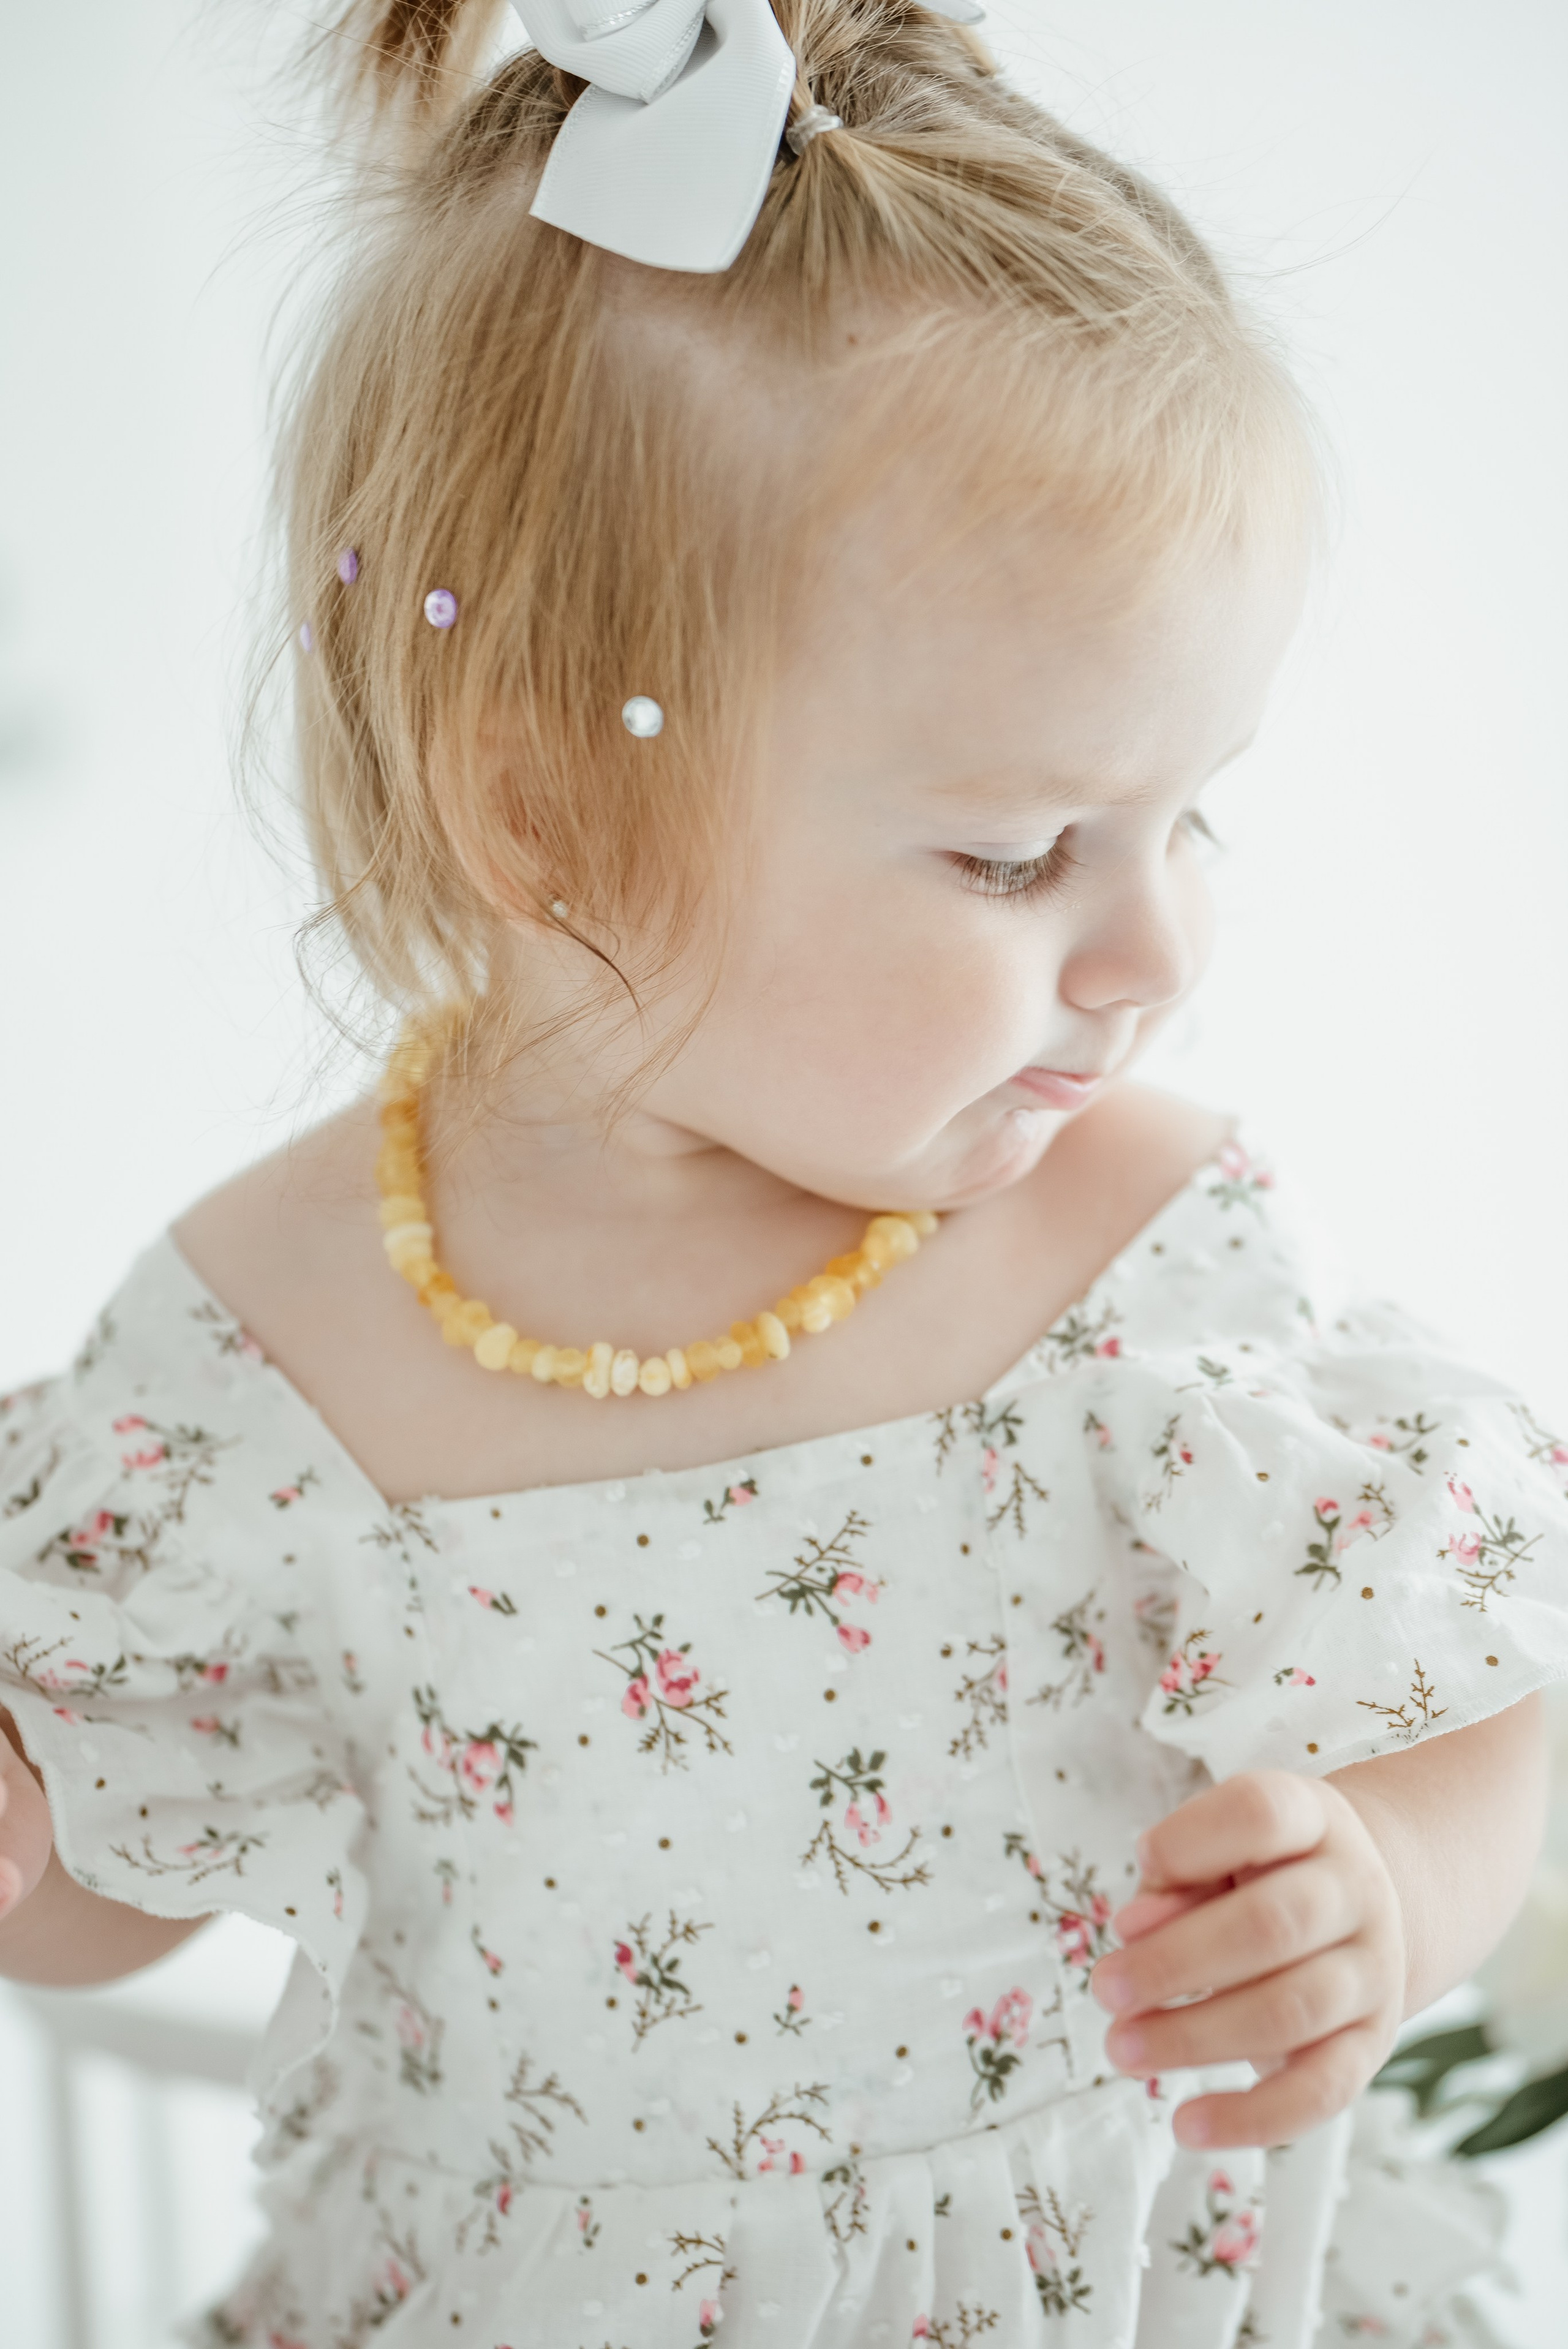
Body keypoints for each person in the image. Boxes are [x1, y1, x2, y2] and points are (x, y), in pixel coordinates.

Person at [2, 1, 1564, 2340]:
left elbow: (1463, 1675)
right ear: (547, 818)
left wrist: (1391, 1886)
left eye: (1188, 812)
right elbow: (127, 1864)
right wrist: (29, 1844)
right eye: (1023, 850)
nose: (1158, 945)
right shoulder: (263, 1340)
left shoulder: (1141, 1257)